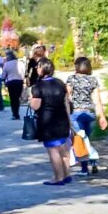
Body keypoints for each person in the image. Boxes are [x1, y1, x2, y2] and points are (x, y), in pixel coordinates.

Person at [29, 57, 73, 185]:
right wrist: (69, 121)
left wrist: (30, 100)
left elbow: (35, 106)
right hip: (62, 119)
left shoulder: (38, 86)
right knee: (64, 149)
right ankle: (66, 175)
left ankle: (58, 178)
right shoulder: (60, 83)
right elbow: (66, 104)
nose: (36, 69)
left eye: (38, 66)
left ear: (42, 68)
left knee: (53, 150)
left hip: (47, 122)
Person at [66, 57, 108, 175]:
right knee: (87, 139)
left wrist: (65, 112)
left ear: (77, 66)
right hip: (89, 113)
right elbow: (97, 100)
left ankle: (84, 169)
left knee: (80, 141)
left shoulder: (72, 79)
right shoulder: (93, 80)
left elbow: (67, 96)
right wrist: (102, 116)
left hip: (76, 113)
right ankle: (93, 162)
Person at [2, 49, 25, 119]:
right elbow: (23, 73)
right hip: (19, 81)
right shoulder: (21, 63)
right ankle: (17, 112)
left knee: (12, 98)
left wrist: (4, 81)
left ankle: (14, 113)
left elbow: (3, 75)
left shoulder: (6, 64)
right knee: (17, 98)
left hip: (11, 82)